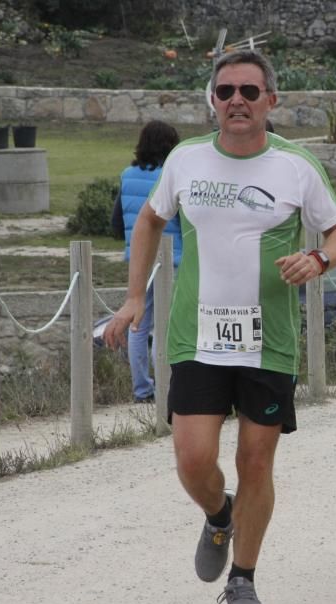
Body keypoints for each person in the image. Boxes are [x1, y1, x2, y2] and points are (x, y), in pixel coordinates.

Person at [103, 50, 336, 604]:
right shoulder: (187, 160)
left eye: (248, 91)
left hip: (269, 339)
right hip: (198, 336)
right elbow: (148, 219)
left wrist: (318, 258)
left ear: (271, 99)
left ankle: (243, 577)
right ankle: (220, 515)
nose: (236, 101)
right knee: (193, 461)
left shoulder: (295, 165)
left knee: (256, 460)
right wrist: (134, 296)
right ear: (211, 101)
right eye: (225, 92)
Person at [110, 120, 183, 403]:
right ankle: (165, 385)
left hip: (138, 258)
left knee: (139, 325)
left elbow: (117, 221)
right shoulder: (170, 175)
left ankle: (142, 389)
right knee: (165, 324)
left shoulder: (127, 174)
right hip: (172, 257)